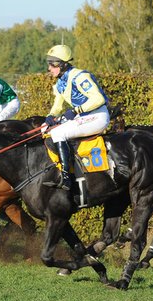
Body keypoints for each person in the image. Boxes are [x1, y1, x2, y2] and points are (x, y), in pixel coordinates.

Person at [41, 44, 109, 191]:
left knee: (58, 133)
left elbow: (99, 99)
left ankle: (67, 178)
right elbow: (58, 106)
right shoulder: (60, 82)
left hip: (97, 116)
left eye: (52, 65)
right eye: (49, 64)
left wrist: (77, 110)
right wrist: (50, 117)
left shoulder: (80, 77)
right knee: (47, 131)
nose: (49, 68)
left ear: (63, 64)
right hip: (83, 117)